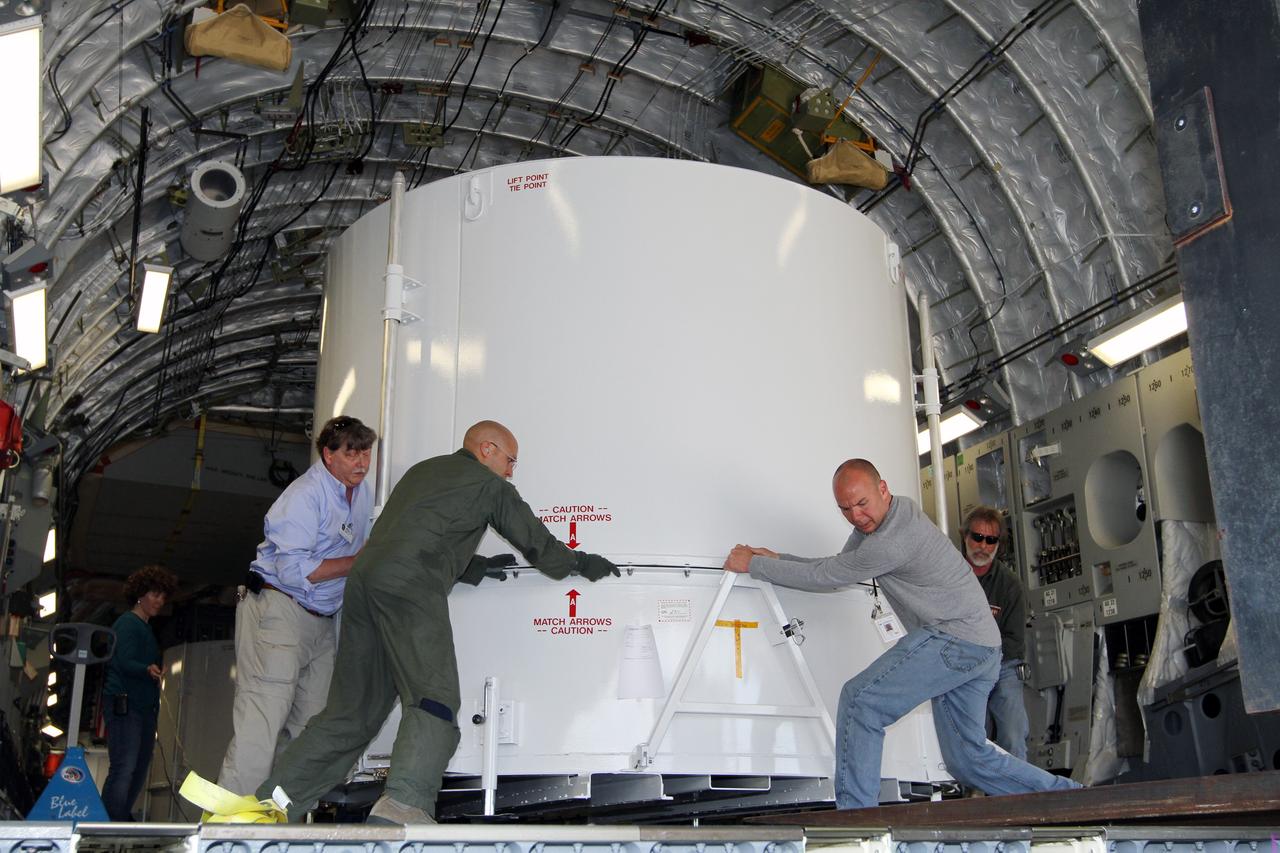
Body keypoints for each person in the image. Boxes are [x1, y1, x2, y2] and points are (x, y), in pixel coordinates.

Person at [255, 420, 621, 825]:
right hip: (409, 588)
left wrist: (472, 567)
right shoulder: (490, 486)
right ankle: (403, 804)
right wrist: (581, 563)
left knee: (350, 715)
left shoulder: (423, 471)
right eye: (510, 460)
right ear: (486, 449)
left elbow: (412, 534)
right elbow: (539, 545)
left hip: (363, 584)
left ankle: (271, 806)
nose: (510, 471)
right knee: (434, 699)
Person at [723, 458, 1079, 809]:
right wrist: (778, 560)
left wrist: (755, 566)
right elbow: (838, 566)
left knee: (861, 701)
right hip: (981, 646)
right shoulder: (893, 514)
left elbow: (830, 576)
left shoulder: (891, 540)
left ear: (883, 489)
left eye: (862, 503)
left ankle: (857, 821)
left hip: (955, 638)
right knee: (967, 759)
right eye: (845, 508)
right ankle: (1069, 797)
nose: (856, 516)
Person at [217, 416, 376, 796]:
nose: (361, 462)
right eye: (351, 453)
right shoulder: (304, 496)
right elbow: (293, 570)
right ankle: (229, 823)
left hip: (322, 620)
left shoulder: (362, 491)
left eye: (366, 453)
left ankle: (279, 815)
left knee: (311, 728)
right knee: (262, 718)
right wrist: (359, 562)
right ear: (328, 455)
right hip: (279, 608)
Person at [102, 564, 177, 821]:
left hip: (143, 708)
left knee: (139, 767)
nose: (160, 601)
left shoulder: (145, 628)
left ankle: (120, 815)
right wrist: (146, 669)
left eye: (163, 596)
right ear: (140, 594)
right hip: (125, 705)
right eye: (155, 594)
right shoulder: (127, 623)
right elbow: (123, 660)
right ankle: (110, 819)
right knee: (125, 766)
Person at [960, 506, 1030, 760]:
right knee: (969, 734)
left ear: (999, 545)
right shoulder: (949, 574)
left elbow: (1015, 641)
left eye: (991, 540)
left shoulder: (1010, 585)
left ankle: (1017, 784)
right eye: (977, 537)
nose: (983, 546)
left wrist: (987, 657)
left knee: (1013, 733)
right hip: (961, 665)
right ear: (965, 536)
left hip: (1002, 665)